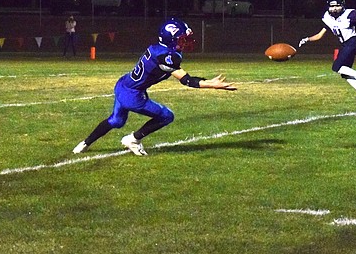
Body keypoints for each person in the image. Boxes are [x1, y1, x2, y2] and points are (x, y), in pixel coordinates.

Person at [72, 18, 236, 156]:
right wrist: (212, 84)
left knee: (116, 120)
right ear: (171, 39)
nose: (185, 42)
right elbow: (186, 80)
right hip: (133, 96)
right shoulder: (168, 56)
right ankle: (133, 139)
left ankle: (84, 144)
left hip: (123, 85)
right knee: (166, 116)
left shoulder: (158, 49)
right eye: (181, 39)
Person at [298, 0, 356, 100]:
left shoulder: (349, 14)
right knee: (345, 73)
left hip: (353, 42)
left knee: (336, 67)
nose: (334, 9)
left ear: (342, 6)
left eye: (337, 6)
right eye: (332, 6)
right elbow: (320, 35)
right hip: (345, 44)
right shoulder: (327, 17)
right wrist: (307, 39)